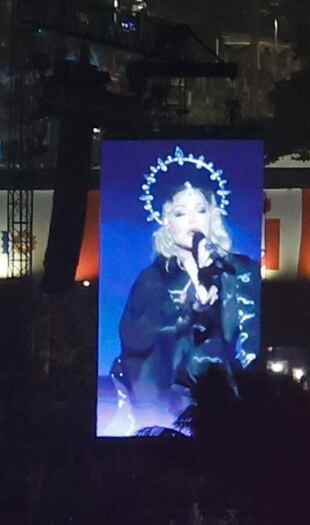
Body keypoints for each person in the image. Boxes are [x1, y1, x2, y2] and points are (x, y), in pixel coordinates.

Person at [103, 149, 259, 433]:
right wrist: (187, 317)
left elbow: (249, 334)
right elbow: (136, 336)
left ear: (213, 215)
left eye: (201, 210)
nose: (192, 220)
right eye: (180, 212)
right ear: (167, 220)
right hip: (170, 390)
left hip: (226, 389)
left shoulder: (239, 270)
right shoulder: (152, 280)